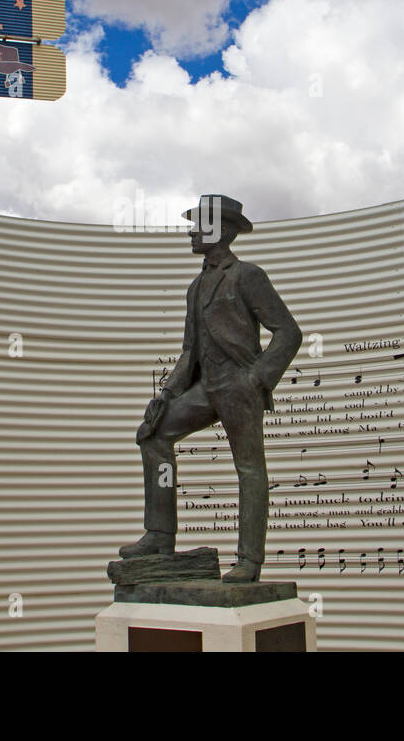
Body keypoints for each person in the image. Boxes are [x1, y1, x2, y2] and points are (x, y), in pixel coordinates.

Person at [119, 195, 302, 582]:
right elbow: (189, 350)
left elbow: (288, 332)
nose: (191, 231)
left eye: (199, 225)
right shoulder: (195, 286)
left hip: (239, 385)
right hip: (205, 388)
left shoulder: (248, 275)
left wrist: (258, 378)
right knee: (153, 436)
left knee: (249, 469)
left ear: (220, 230)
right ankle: (160, 534)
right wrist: (167, 394)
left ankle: (249, 560)